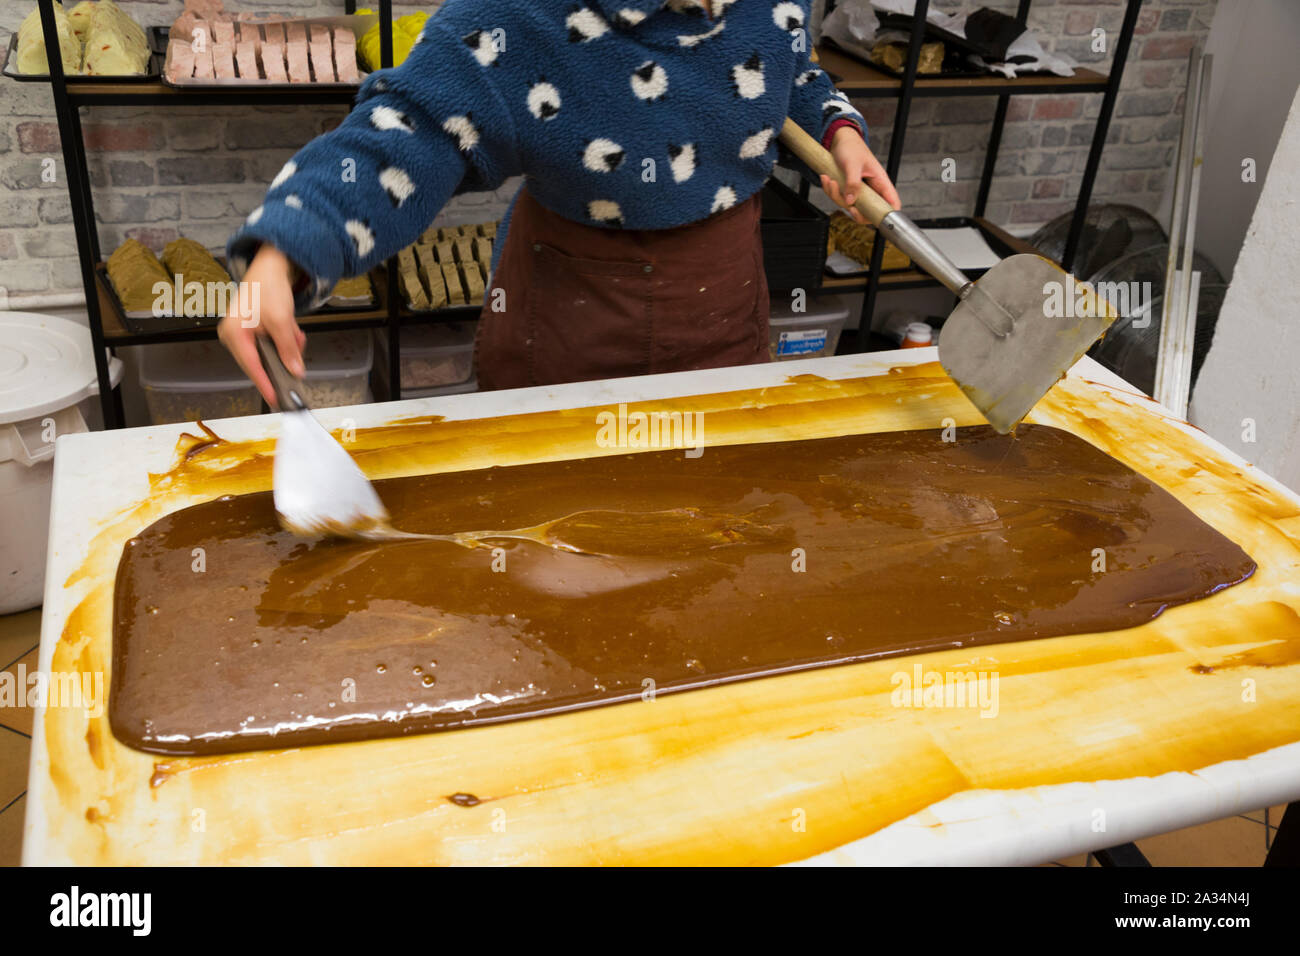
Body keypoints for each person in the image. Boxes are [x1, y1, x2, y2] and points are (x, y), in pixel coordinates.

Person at [219, 0, 900, 402]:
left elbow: (791, 67)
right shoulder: (520, 15)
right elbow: (407, 133)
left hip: (724, 309)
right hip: (567, 329)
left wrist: (837, 127)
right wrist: (286, 250)